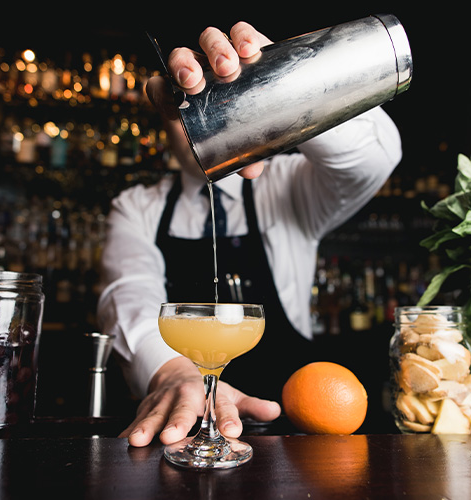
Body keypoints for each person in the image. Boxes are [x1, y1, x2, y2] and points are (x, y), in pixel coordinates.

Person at [97, 21, 403, 447]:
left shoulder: (289, 184)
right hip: (180, 434)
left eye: (209, 102)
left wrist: (282, 82)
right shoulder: (137, 207)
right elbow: (127, 291)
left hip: (292, 434)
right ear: (163, 112)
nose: (195, 114)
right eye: (184, 101)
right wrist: (171, 371)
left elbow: (374, 158)